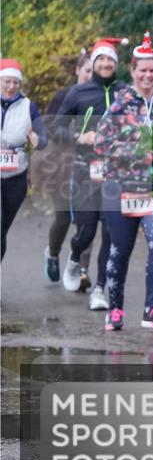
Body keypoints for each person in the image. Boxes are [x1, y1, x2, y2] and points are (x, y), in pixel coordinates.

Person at [94, 31, 153, 331]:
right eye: (142, 70)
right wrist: (133, 152)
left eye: (152, 70)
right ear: (132, 71)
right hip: (123, 188)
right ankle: (116, 309)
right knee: (120, 249)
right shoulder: (121, 103)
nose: (148, 75)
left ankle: (152, 309)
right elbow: (102, 142)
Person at [55, 38, 129, 310]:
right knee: (85, 229)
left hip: (117, 173)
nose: (106, 64)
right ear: (94, 63)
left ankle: (99, 289)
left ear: (116, 64)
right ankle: (74, 259)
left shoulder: (125, 92)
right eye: (101, 60)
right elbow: (57, 130)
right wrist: (79, 136)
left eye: (110, 60)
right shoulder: (78, 93)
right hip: (86, 171)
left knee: (111, 232)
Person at [41, 52, 94, 285]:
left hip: (88, 168)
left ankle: (81, 271)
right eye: (87, 71)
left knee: (86, 220)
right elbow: (50, 128)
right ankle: (52, 254)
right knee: (62, 219)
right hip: (60, 166)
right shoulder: (64, 96)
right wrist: (76, 137)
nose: (91, 76)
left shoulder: (102, 99)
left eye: (94, 72)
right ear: (77, 71)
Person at [1, 58, 48, 259]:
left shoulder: (28, 106)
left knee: (2, 231)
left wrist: (36, 139)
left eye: (16, 82)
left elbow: (43, 138)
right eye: (7, 82)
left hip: (16, 177)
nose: (11, 87)